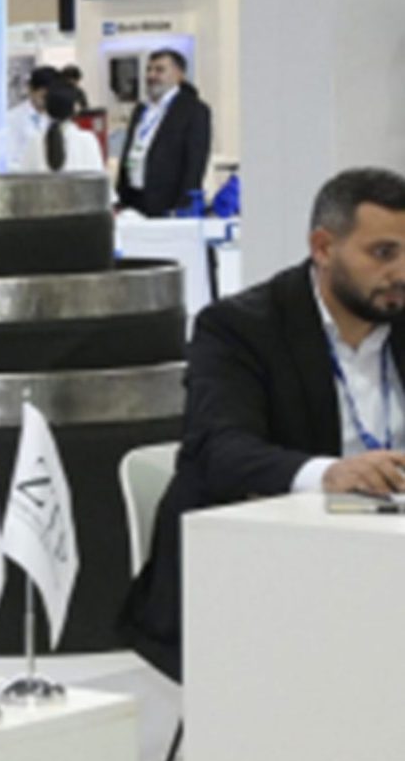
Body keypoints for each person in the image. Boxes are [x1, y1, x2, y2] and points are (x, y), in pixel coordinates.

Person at [121, 166, 405, 677]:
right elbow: (219, 449)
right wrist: (329, 474)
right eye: (383, 253)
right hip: (264, 574)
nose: (401, 272)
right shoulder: (239, 328)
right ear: (323, 247)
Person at [115, 49, 214, 218]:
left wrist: (182, 206)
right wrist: (119, 198)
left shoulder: (194, 110)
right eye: (149, 69)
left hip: (168, 204)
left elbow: (195, 164)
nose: (151, 75)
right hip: (133, 200)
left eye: (159, 70)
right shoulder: (141, 109)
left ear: (179, 75)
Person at [10, 72, 104, 176]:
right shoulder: (88, 140)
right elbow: (99, 180)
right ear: (75, 109)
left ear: (46, 108)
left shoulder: (35, 141)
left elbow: (24, 178)